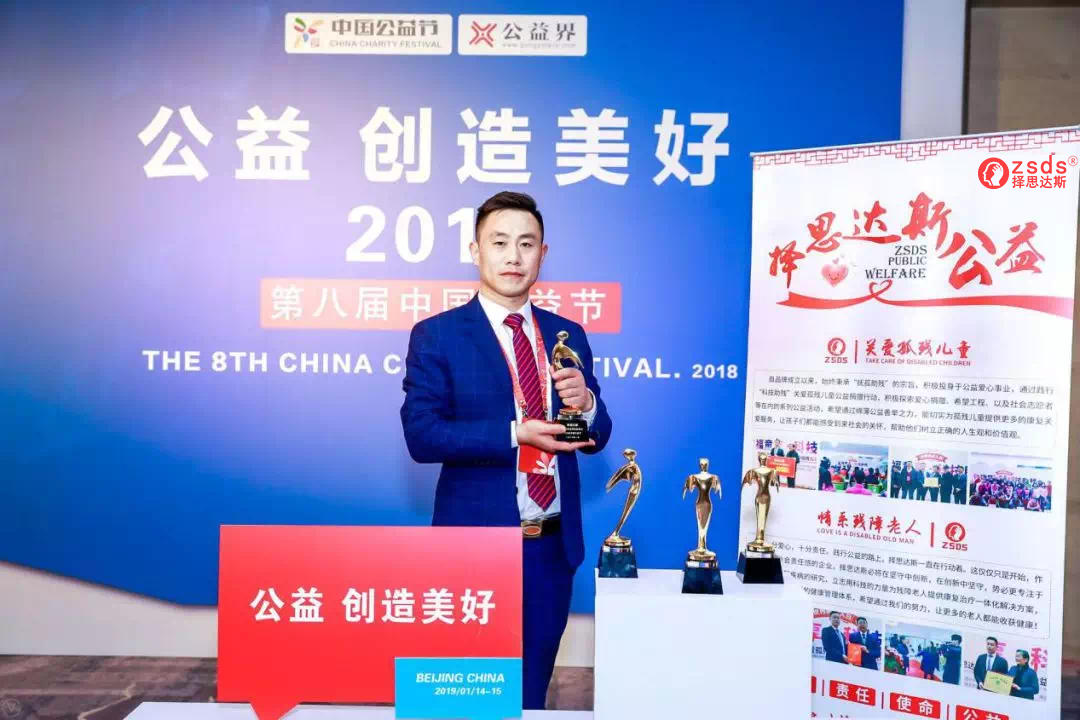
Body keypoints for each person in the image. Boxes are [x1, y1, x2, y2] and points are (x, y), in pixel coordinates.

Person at [400, 191, 613, 709]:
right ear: (475, 251)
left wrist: (585, 403)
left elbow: (597, 435)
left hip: (550, 548)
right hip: (474, 545)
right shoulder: (438, 336)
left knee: (530, 692)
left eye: (526, 243)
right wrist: (517, 434)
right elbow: (422, 435)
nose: (513, 256)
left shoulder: (567, 334)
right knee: (466, 696)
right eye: (499, 243)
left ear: (543, 253)